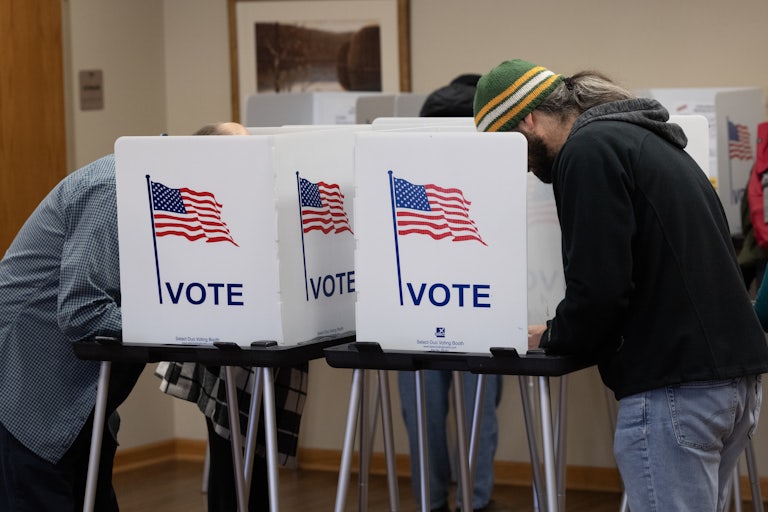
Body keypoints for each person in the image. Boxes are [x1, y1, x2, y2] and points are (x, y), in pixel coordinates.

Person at [474, 59, 768, 511]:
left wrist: (554, 336)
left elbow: (601, 287)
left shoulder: (587, 152)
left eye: (506, 146)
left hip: (674, 386)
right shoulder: (644, 139)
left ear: (527, 119)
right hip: (730, 382)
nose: (522, 167)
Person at [155, 120, 309, 512]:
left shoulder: (250, 195)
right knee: (229, 457)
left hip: (261, 344)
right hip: (223, 344)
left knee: (255, 457)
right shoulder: (202, 204)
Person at [0, 152, 145, 510]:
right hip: (29, 394)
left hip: (79, 399)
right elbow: (84, 310)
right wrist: (173, 327)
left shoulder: (150, 187)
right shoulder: (115, 188)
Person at [397, 74, 503, 512]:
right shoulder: (494, 161)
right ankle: (476, 502)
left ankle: (432, 500)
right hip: (482, 299)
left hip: (412, 299)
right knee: (481, 412)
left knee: (421, 411)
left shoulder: (406, 162)